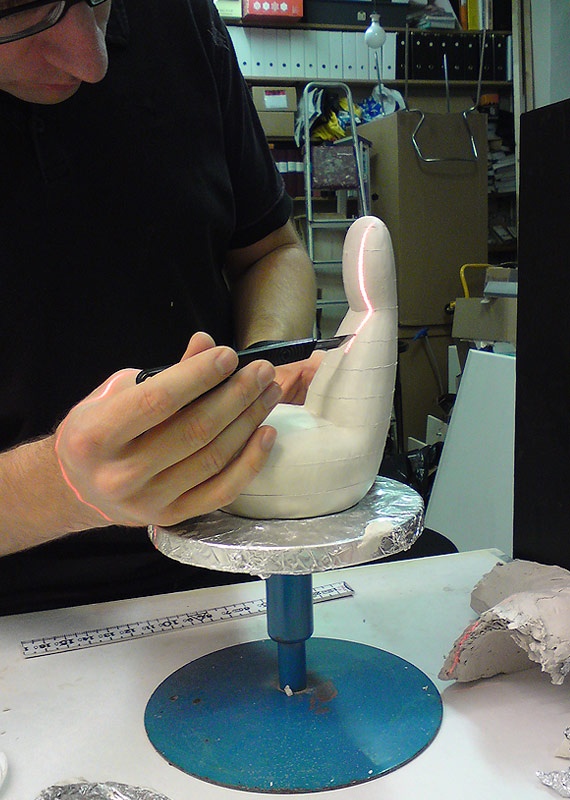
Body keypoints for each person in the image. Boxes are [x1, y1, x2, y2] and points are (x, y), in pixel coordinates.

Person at [0, 0, 317, 614]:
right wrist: (61, 490)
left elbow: (273, 251)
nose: (91, 61)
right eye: (19, 15)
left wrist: (263, 363)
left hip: (235, 548)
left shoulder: (178, 17)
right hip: (26, 605)